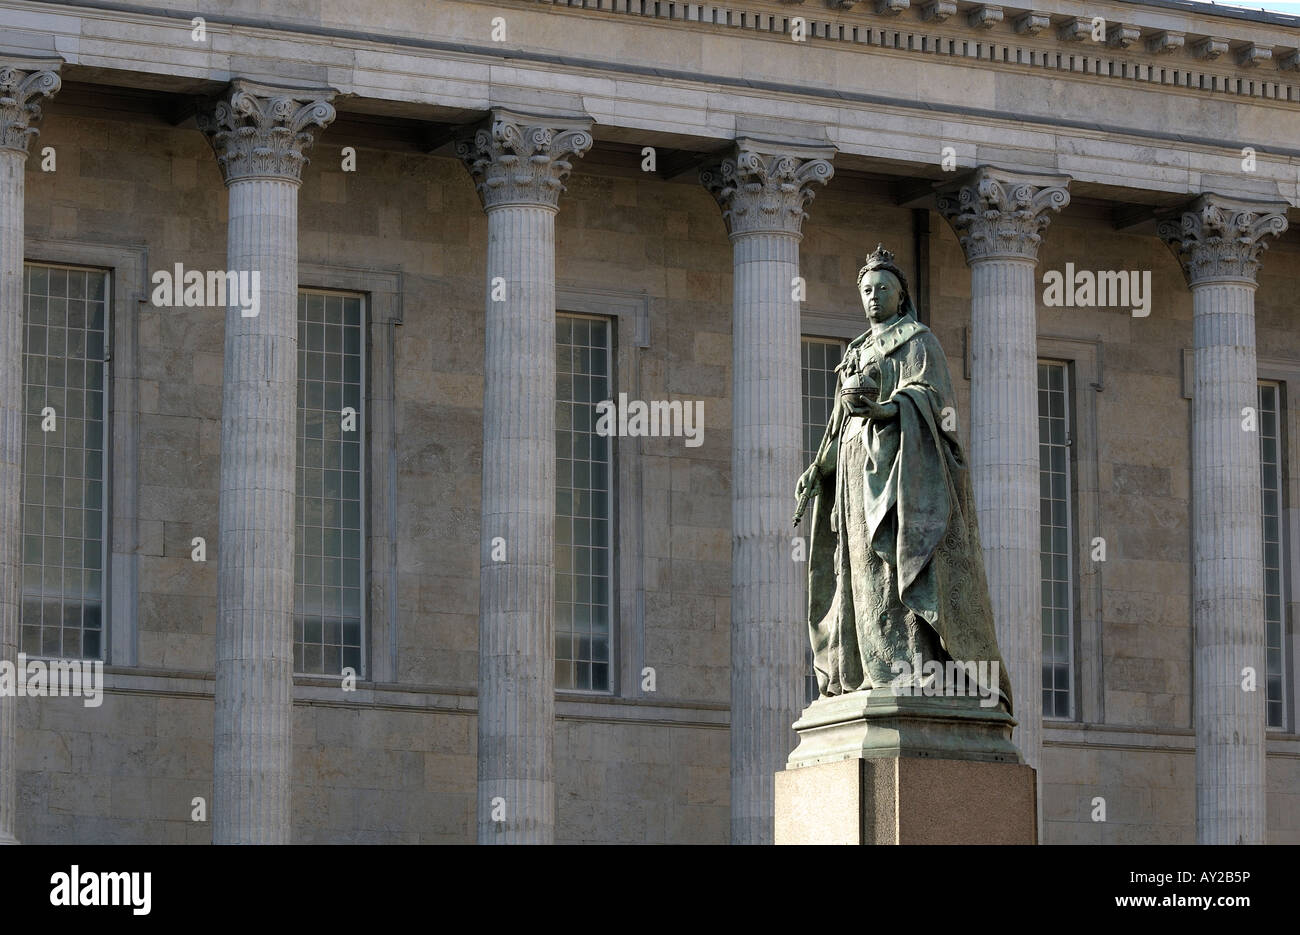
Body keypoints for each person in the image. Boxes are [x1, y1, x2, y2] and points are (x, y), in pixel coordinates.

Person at [794, 245, 1013, 711]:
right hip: (855, 475)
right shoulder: (854, 351)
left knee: (895, 569)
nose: (874, 298)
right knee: (861, 574)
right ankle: (870, 669)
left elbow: (934, 403)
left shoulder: (917, 340)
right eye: (867, 290)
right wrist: (819, 468)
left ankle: (911, 668)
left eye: (883, 289)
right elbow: (837, 426)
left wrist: (888, 409)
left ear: (901, 295)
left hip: (902, 478)